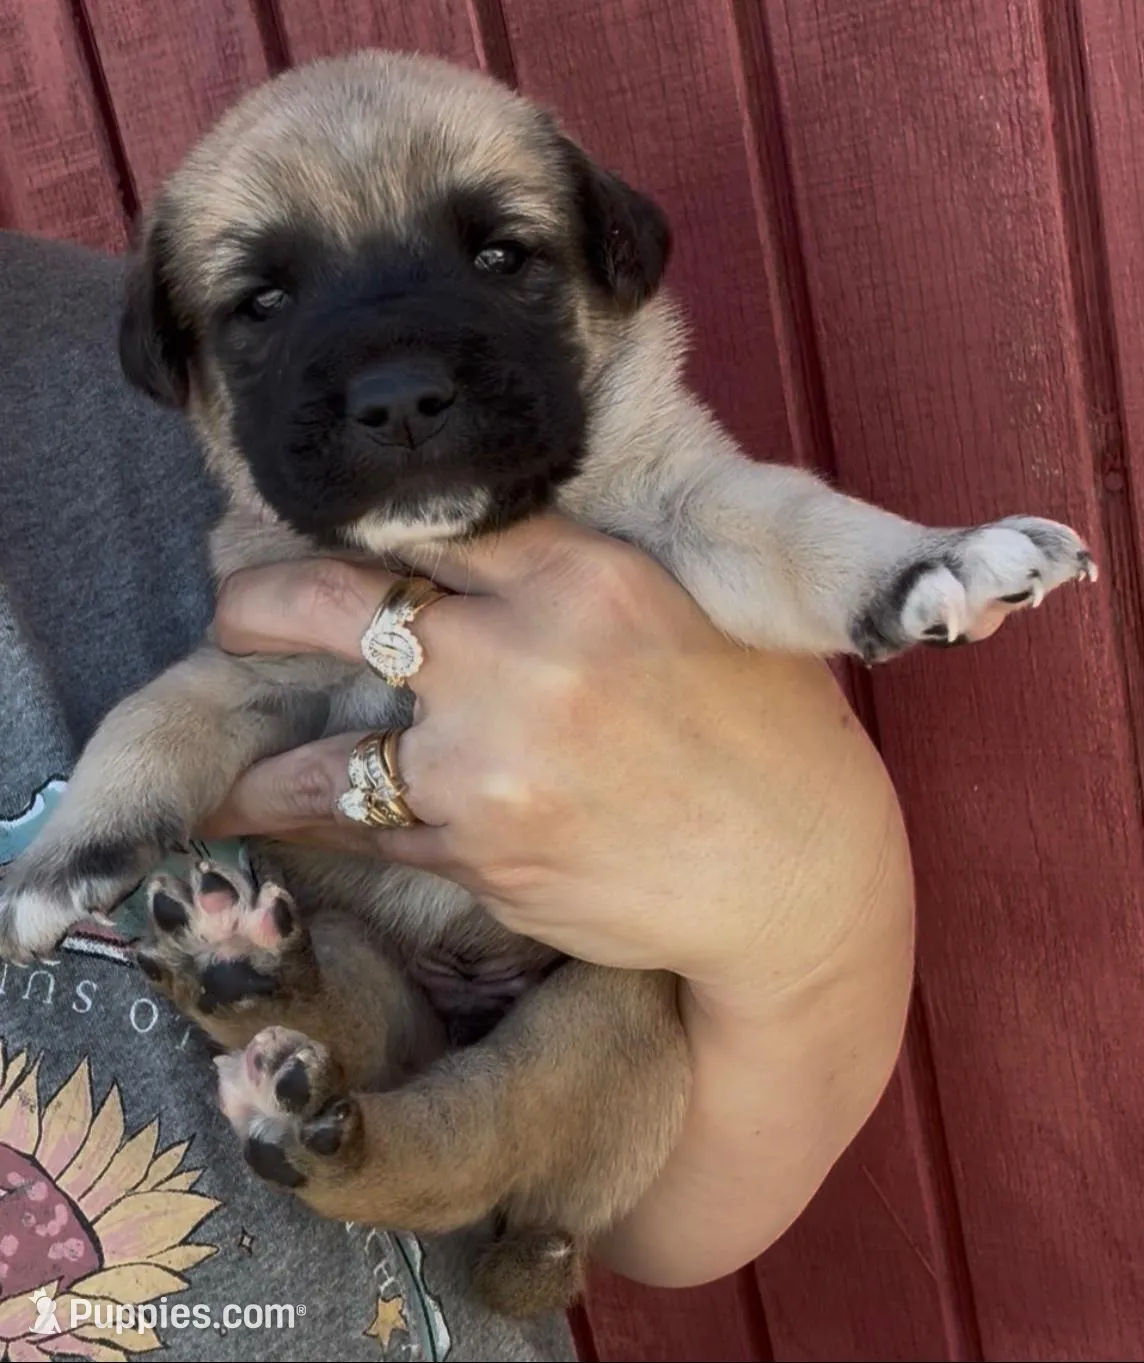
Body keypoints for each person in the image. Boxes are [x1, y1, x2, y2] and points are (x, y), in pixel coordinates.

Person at [0, 229, 914, 1361]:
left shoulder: (109, 368)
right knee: (346, 978)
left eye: (497, 258)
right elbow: (220, 695)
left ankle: (412, 1133)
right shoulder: (198, 378)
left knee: (588, 1037)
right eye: (267, 304)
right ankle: (347, 1092)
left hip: (585, 1014)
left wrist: (818, 894)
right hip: (367, 955)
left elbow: (673, 1197)